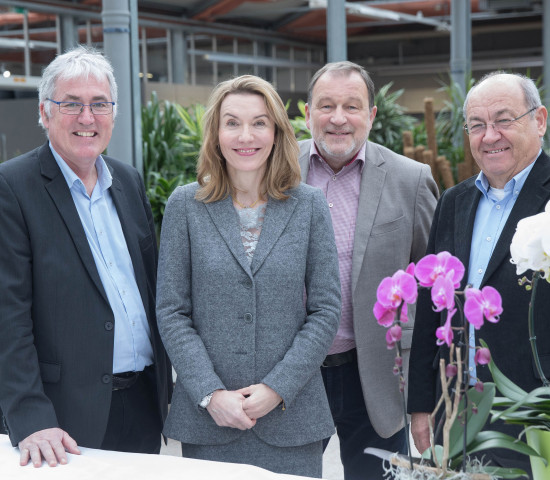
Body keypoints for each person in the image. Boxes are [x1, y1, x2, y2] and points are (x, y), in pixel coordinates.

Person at [156, 74, 341, 478]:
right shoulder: (185, 206)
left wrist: (277, 388)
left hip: (292, 421)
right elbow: (172, 312)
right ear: (216, 133)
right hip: (210, 423)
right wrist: (210, 393)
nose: (246, 135)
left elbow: (326, 310)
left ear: (276, 131)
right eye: (232, 122)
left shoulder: (309, 205)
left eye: (259, 122)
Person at [0, 46, 172, 468]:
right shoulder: (12, 187)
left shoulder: (128, 181)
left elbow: (150, 289)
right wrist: (31, 417)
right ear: (44, 112)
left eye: (99, 104)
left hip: (145, 403)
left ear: (113, 112)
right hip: (62, 419)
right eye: (71, 104)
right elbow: (7, 315)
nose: (86, 117)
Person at [298, 61, 438, 480]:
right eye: (326, 105)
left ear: (372, 115)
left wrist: (425, 395)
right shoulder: (275, 170)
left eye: (352, 106)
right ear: (307, 113)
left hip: (376, 374)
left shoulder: (410, 179)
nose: (338, 118)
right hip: (294, 374)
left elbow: (434, 290)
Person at [408, 71, 550, 476]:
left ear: (539, 120)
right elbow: (429, 308)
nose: (490, 136)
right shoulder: (454, 201)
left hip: (535, 412)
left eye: (504, 120)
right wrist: (422, 403)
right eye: (476, 125)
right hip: (456, 410)